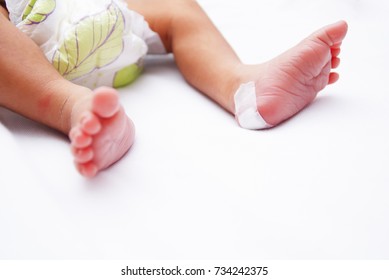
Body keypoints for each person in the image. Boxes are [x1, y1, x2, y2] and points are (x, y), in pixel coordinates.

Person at [0, 0, 348, 177]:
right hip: (21, 38)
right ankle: (72, 106)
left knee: (177, 7)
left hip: (103, 14)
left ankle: (243, 87)